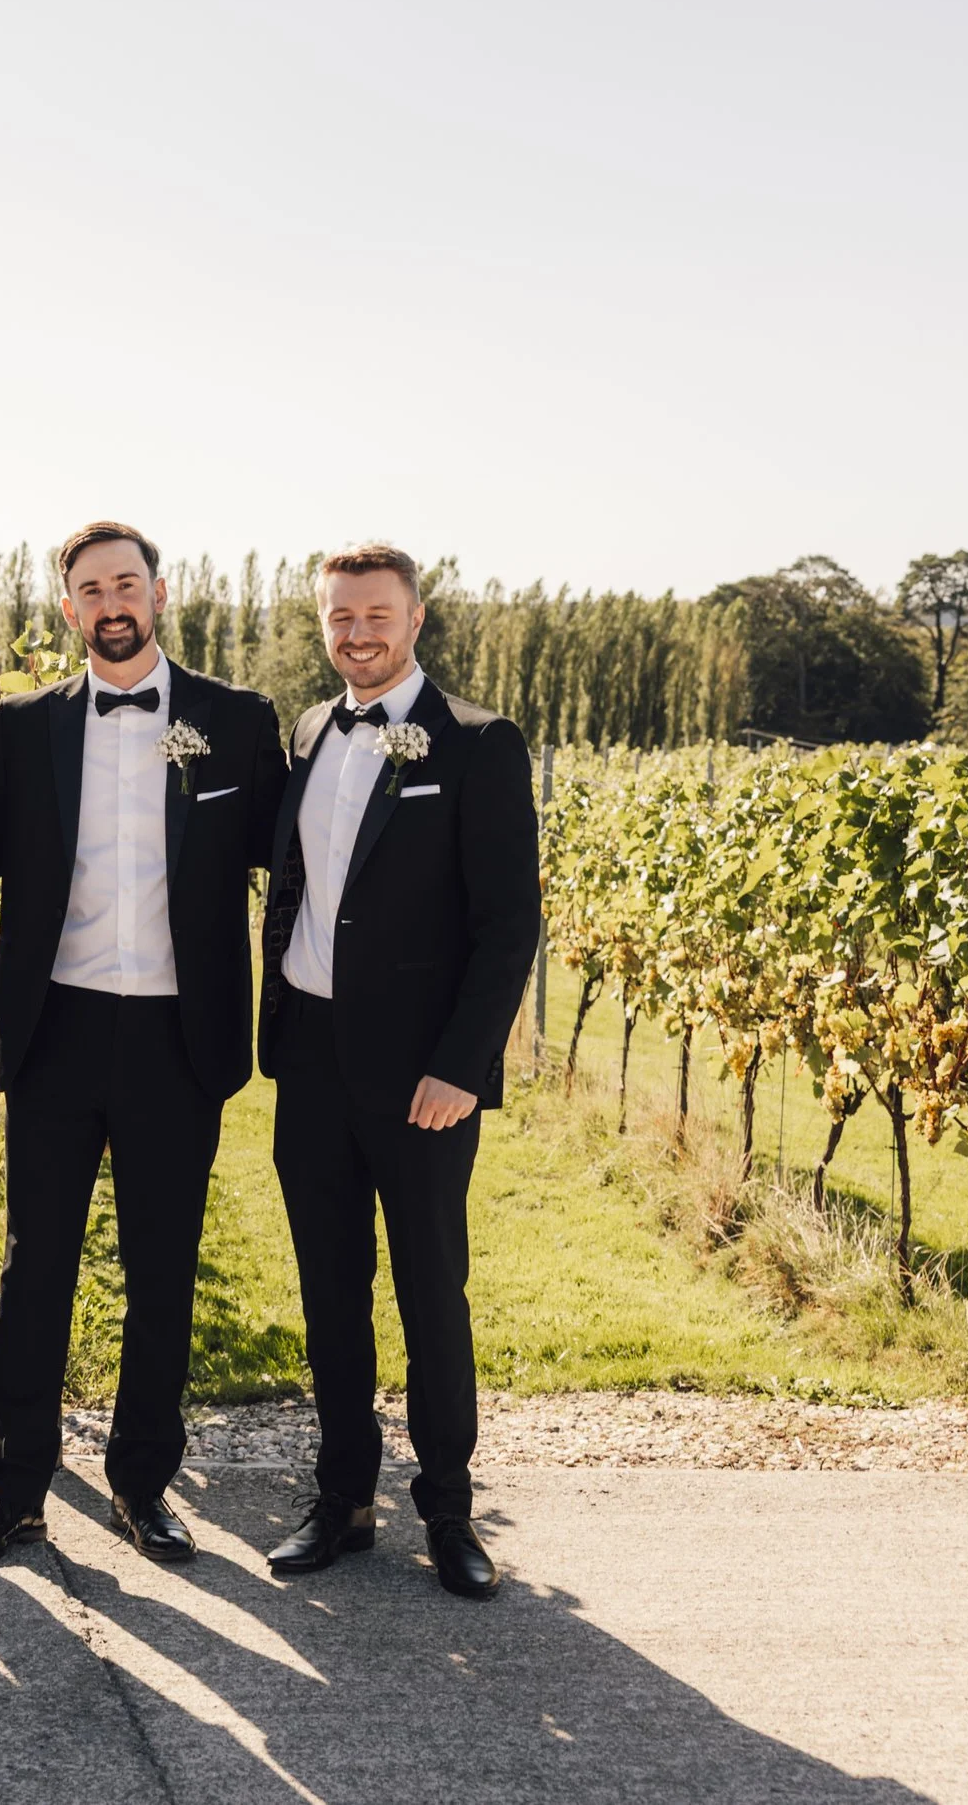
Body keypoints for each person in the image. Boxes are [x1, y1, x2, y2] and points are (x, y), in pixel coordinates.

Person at [0, 521, 287, 1566]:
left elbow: (294, 863)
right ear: (66, 610)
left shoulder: (235, 721)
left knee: (162, 1271)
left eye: (125, 582)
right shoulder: (23, 724)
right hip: (53, 1029)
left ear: (159, 590)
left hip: (180, 1035)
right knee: (32, 1267)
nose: (110, 602)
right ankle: (14, 1490)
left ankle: (143, 1484)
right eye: (89, 589)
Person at [255, 542, 540, 1597]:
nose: (357, 633)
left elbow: (508, 925)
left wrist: (462, 1067)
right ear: (322, 624)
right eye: (339, 617)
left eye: (376, 614)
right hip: (311, 1065)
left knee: (430, 1292)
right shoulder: (306, 733)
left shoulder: (478, 744)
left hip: (424, 1080)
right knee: (330, 1294)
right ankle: (341, 1501)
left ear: (415, 620)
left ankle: (451, 1514)